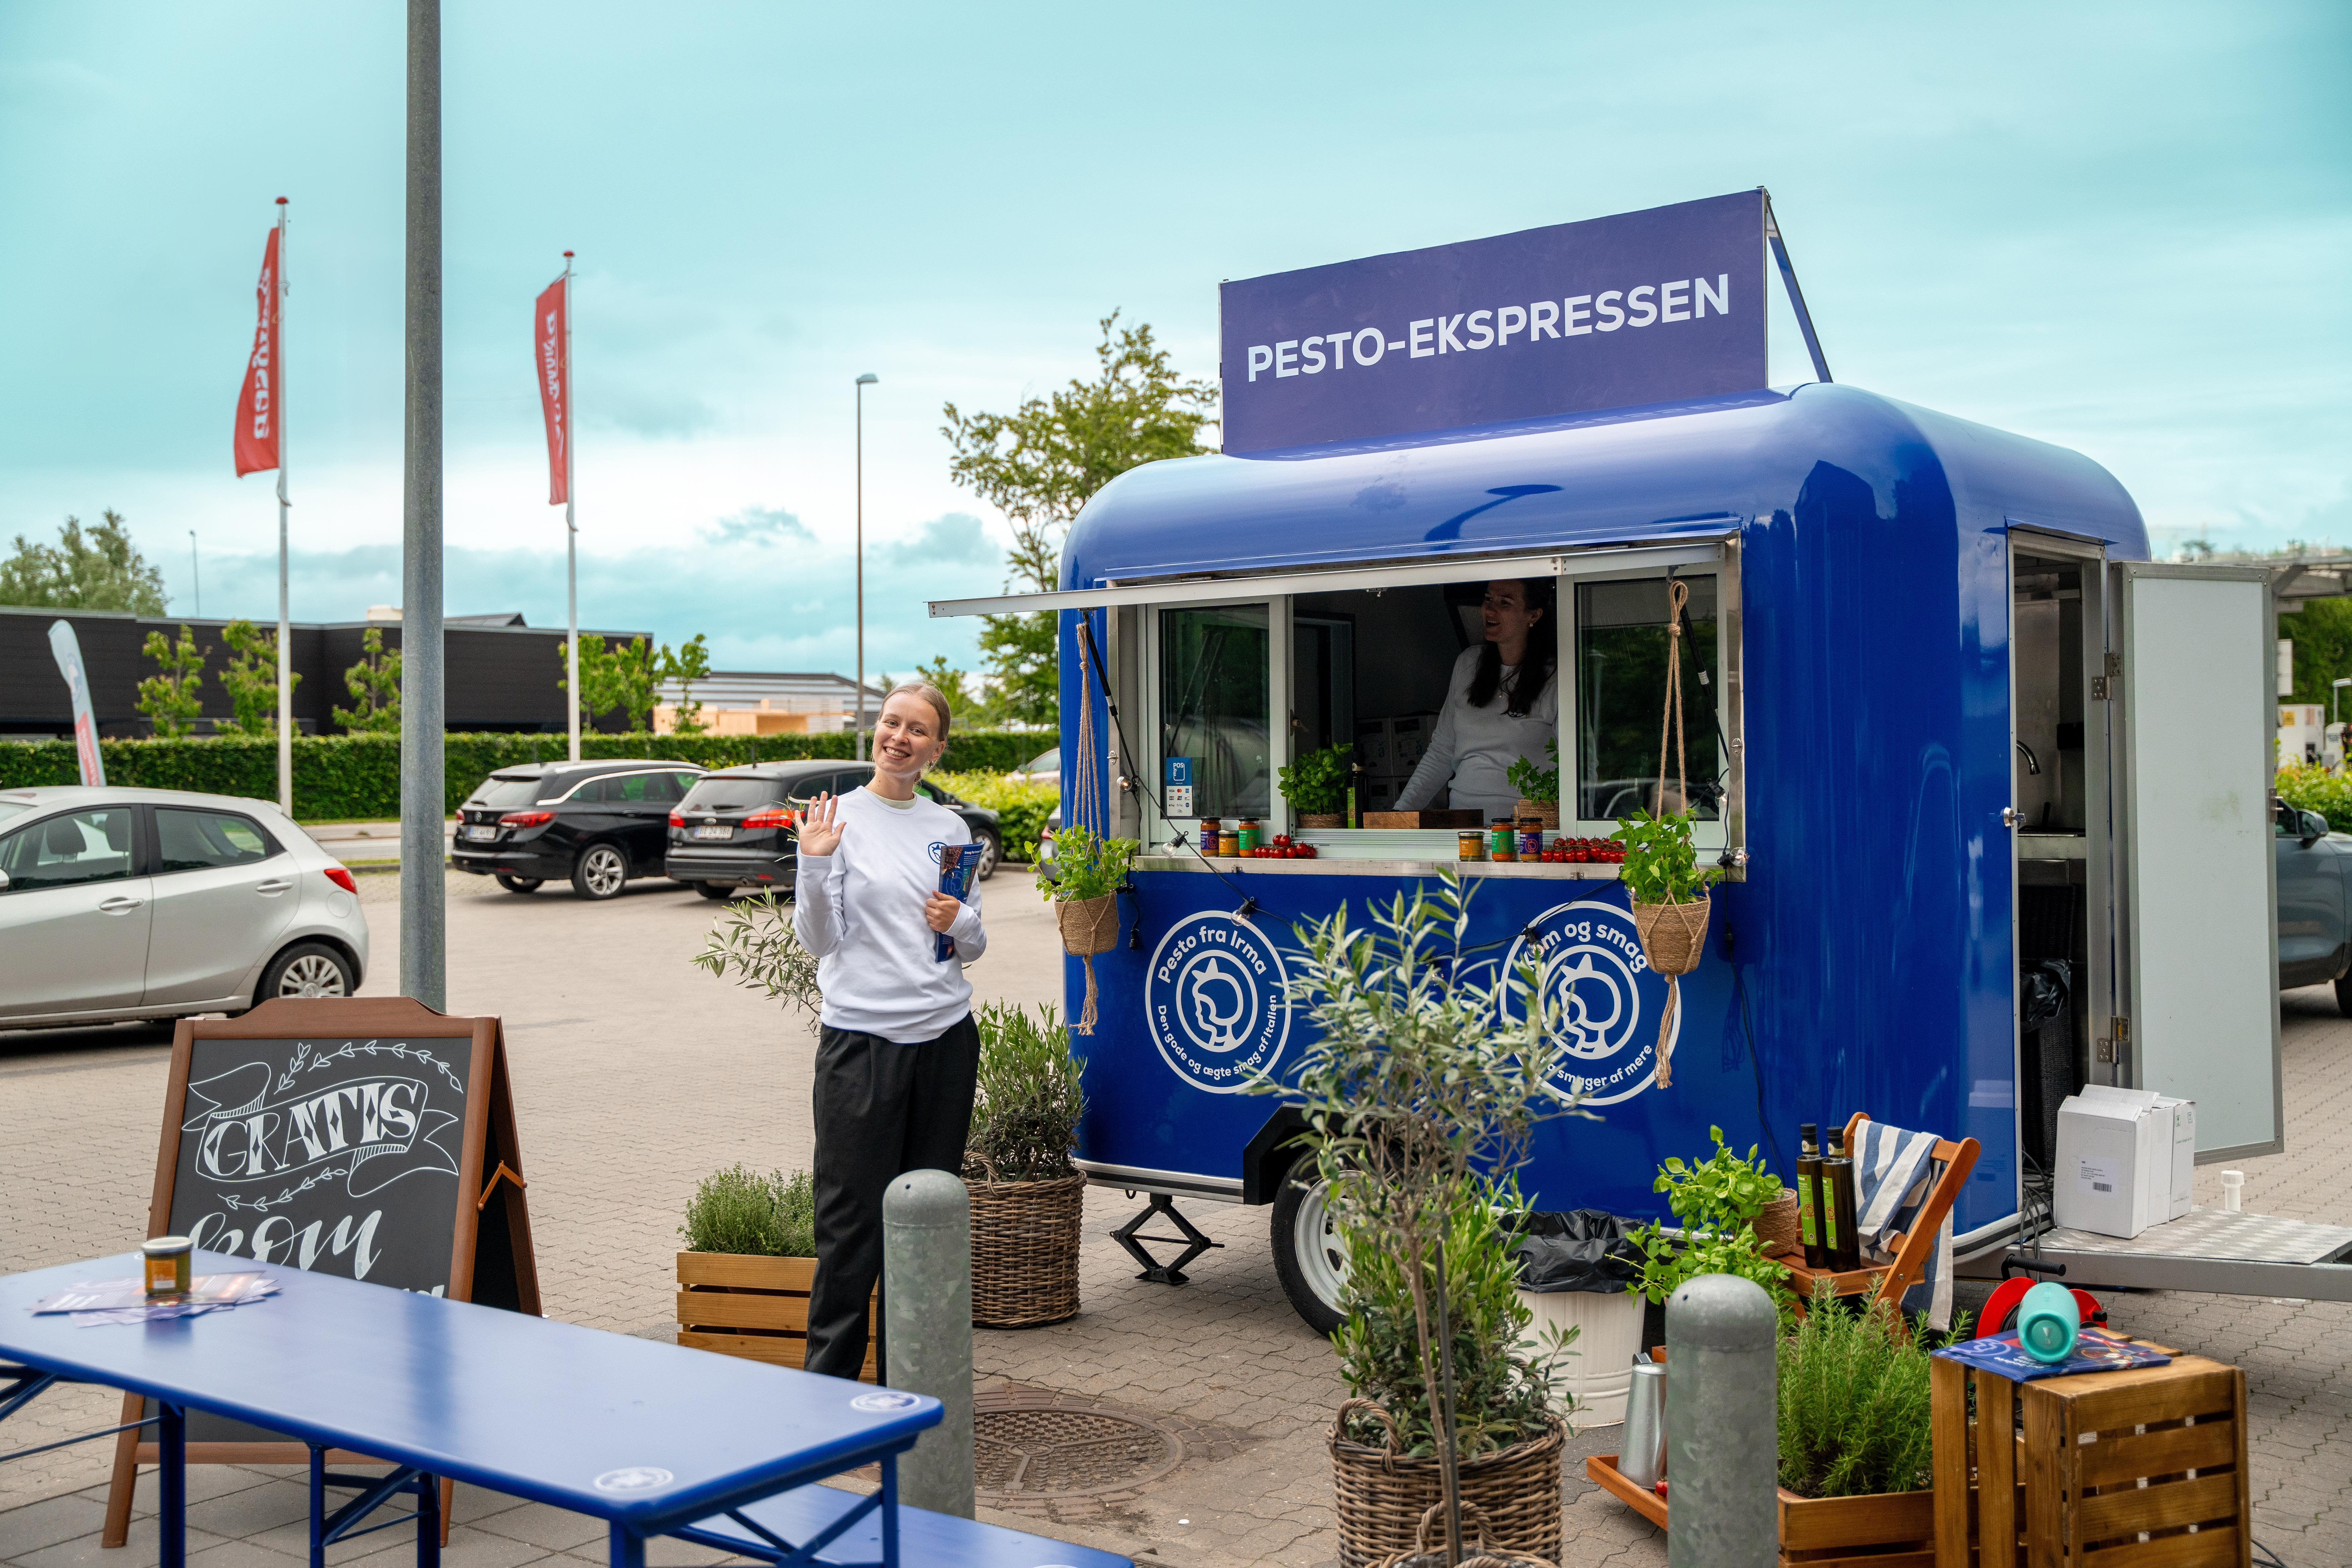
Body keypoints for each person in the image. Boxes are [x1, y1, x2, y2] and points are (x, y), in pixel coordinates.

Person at [792, 682, 987, 1380]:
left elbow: (973, 940)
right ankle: (827, 1397)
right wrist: (814, 863)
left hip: (944, 1042)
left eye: (918, 729)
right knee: (850, 1230)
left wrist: (957, 922)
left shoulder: (951, 829)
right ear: (877, 731)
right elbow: (820, 939)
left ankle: (912, 1385)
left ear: (937, 748)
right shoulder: (836, 817)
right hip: (862, 1048)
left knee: (926, 1222)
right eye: (891, 722)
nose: (900, 737)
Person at [1394, 578, 1558, 823]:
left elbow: (1581, 761)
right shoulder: (1468, 664)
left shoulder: (1556, 676)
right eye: (1488, 599)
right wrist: (1400, 813)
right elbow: (1442, 750)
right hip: (1464, 827)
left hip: (1528, 832)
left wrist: (1569, 825)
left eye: (1505, 603)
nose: (1490, 610)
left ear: (1533, 615)